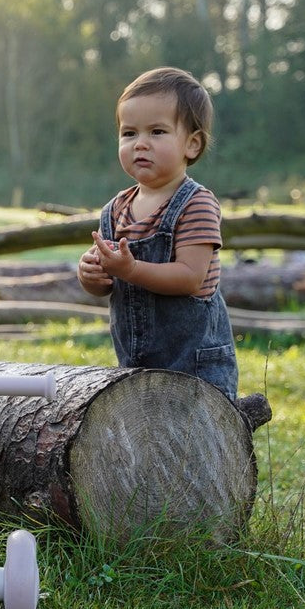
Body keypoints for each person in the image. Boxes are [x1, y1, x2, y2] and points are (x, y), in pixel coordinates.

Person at [77, 66, 238, 400]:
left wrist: (130, 269)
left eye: (157, 132)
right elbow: (106, 286)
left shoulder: (195, 204)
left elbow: (190, 277)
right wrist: (92, 275)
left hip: (195, 373)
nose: (141, 144)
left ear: (191, 145)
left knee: (195, 446)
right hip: (135, 368)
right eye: (129, 133)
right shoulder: (115, 210)